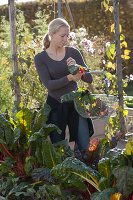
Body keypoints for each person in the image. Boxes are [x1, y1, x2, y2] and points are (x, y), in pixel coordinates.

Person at [34, 17, 94, 159]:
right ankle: (63, 178)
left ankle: (86, 175)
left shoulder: (73, 53)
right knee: (58, 150)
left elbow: (89, 78)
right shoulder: (40, 58)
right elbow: (49, 85)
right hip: (55, 105)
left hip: (76, 105)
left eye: (67, 35)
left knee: (84, 146)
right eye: (62, 36)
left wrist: (78, 69)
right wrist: (70, 77)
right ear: (52, 34)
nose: (66, 39)